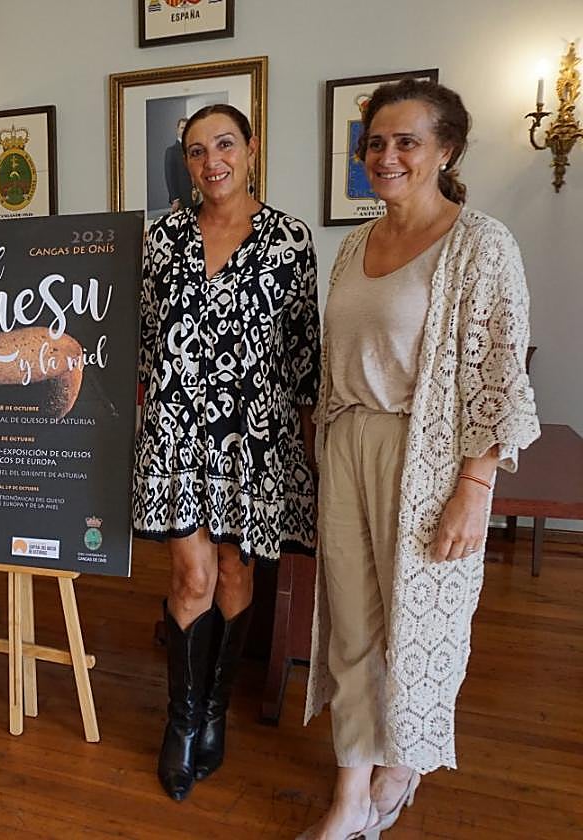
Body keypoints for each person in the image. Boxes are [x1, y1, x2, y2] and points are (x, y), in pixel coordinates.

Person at [298, 79, 539, 840]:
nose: (388, 156)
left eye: (407, 141)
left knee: (419, 627)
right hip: (347, 445)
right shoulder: (351, 245)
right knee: (353, 630)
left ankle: (400, 769)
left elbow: (503, 376)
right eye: (376, 143)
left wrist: (476, 483)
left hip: (429, 458)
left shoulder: (483, 244)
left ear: (447, 150)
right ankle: (349, 794)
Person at [134, 104, 320, 801]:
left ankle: (216, 713)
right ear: (185, 163)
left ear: (250, 149)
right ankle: (181, 724)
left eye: (223, 145)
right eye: (195, 151)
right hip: (178, 432)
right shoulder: (161, 240)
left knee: (238, 578)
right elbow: (143, 339)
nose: (211, 161)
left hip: (257, 438)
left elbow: (304, 354)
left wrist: (304, 451)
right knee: (191, 578)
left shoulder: (290, 240)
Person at [163, 116, 195, 214]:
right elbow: (169, 176)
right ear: (177, 130)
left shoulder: (195, 150)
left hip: (197, 197)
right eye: (182, 128)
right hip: (182, 199)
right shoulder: (171, 151)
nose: (184, 130)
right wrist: (175, 199)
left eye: (187, 128)